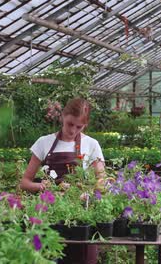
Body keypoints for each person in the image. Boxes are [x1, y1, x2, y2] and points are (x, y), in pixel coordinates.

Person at [20, 97, 104, 264]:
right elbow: (24, 183)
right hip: (50, 216)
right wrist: (41, 186)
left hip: (81, 218)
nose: (73, 130)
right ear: (62, 117)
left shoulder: (92, 145)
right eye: (70, 124)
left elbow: (101, 181)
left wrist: (87, 193)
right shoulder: (44, 143)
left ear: (85, 125)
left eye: (79, 126)